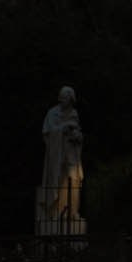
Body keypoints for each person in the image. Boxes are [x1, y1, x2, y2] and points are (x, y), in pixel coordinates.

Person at [40, 86, 84, 220]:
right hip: (57, 154)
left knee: (74, 180)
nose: (62, 100)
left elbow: (78, 134)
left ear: (71, 100)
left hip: (71, 154)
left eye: (65, 98)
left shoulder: (74, 114)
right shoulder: (52, 113)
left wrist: (77, 136)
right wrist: (63, 128)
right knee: (58, 181)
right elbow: (47, 133)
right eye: (61, 97)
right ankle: (56, 212)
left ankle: (73, 212)